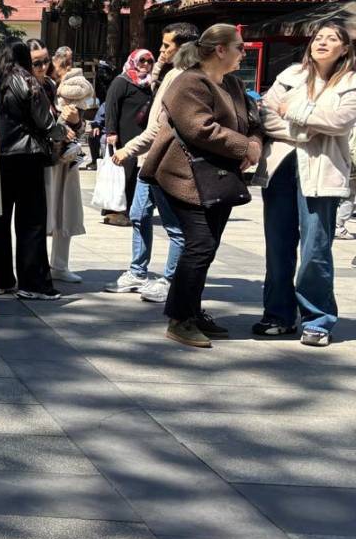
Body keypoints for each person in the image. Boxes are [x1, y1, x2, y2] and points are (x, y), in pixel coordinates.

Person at [140, 24, 261, 349]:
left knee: (207, 246)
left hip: (218, 178)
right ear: (220, 49)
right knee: (201, 244)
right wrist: (244, 147)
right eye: (239, 47)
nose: (243, 53)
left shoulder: (233, 84)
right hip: (183, 176)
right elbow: (199, 128)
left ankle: (190, 311)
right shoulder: (189, 82)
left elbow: (253, 123)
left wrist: (254, 144)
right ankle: (180, 319)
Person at [253, 24, 356, 347]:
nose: (322, 43)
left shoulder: (350, 83)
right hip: (281, 167)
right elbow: (266, 114)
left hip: (322, 172)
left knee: (315, 248)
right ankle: (278, 315)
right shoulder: (291, 75)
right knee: (278, 246)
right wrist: (304, 129)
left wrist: (293, 111)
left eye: (332, 39)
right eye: (318, 38)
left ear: (344, 49)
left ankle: (317, 318)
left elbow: (339, 121)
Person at [108, 23, 199, 302]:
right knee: (138, 214)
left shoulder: (186, 79)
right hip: (150, 160)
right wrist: (160, 64)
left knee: (175, 227)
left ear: (184, 48)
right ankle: (138, 271)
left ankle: (171, 280)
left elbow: (161, 126)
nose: (160, 51)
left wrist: (128, 149)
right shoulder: (172, 73)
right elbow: (154, 88)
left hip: (167, 160)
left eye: (166, 46)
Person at [0, 37, 65, 299]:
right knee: (31, 222)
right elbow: (46, 122)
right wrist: (62, 132)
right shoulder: (27, 81)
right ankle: (32, 283)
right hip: (27, 156)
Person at [48, 47, 95, 283]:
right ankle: (36, 265)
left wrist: (76, 122)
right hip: (44, 157)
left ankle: (59, 264)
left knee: (65, 209)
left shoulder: (73, 88)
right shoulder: (44, 86)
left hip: (66, 157)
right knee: (43, 213)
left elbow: (80, 126)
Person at [103, 48, 157, 225]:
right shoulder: (122, 81)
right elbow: (111, 106)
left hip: (141, 136)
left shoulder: (150, 83)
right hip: (123, 135)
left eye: (149, 61)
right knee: (122, 174)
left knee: (136, 173)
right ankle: (115, 211)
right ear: (134, 61)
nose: (146, 64)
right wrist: (111, 131)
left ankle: (130, 209)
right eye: (142, 60)